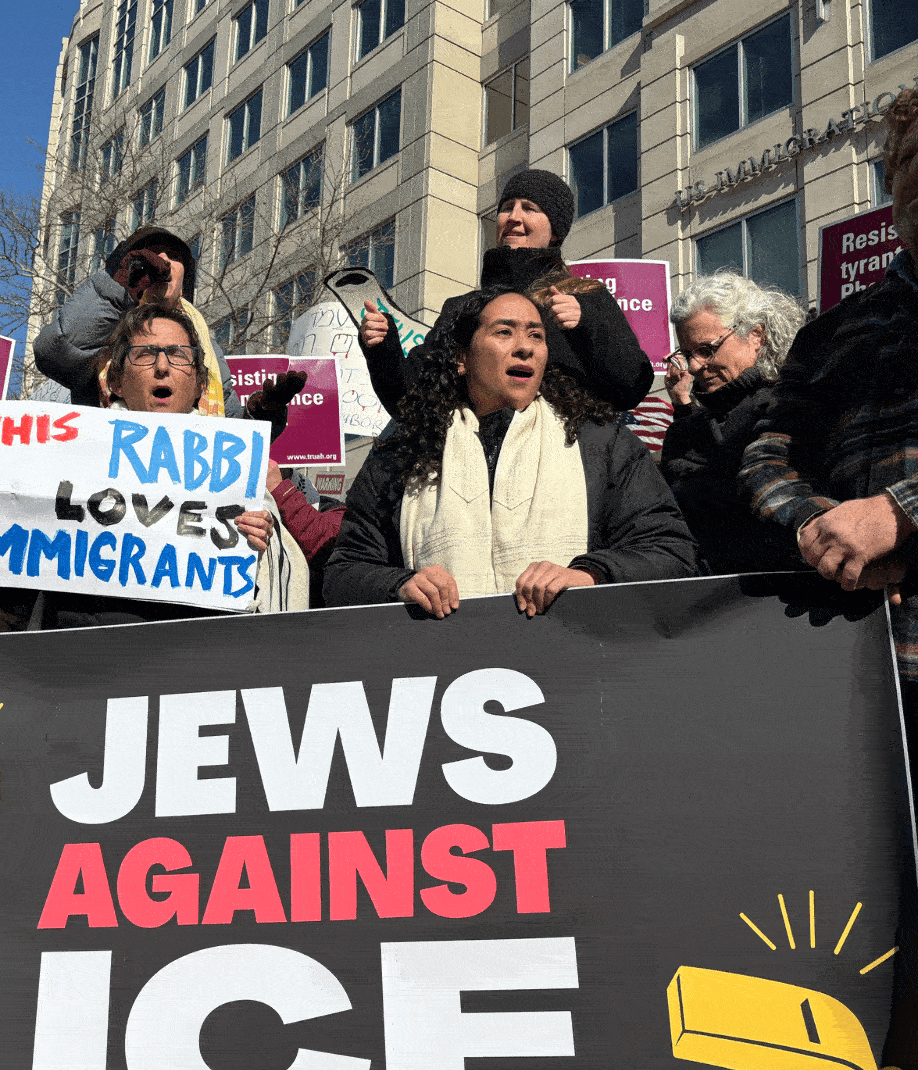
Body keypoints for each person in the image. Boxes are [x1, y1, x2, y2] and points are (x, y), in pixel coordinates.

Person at [0, 303, 308, 629]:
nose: (162, 366)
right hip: (78, 678)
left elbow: (262, 608)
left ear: (198, 384)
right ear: (118, 382)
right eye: (145, 354)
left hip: (191, 677)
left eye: (179, 355)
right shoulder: (60, 458)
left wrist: (255, 548)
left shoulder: (237, 480)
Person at [323, 287, 698, 614]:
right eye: (504, 332)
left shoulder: (602, 443)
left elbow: (672, 553)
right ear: (461, 358)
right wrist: (400, 585)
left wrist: (591, 574)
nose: (524, 347)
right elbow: (343, 575)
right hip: (446, 675)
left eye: (536, 336)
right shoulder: (404, 451)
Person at [739, 88, 918, 726]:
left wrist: (900, 516)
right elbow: (771, 452)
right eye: (907, 160)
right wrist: (827, 536)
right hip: (871, 665)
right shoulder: (834, 331)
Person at [357, 169, 653, 418]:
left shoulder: (584, 295)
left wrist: (586, 325)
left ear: (556, 232)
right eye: (506, 207)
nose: (513, 216)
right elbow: (411, 402)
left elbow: (630, 387)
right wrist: (383, 348)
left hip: (567, 464)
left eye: (530, 208)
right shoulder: (463, 308)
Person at [661, 272, 806, 573]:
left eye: (706, 349)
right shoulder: (684, 432)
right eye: (687, 354)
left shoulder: (795, 407)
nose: (694, 366)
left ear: (756, 335)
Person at [34, 225, 239, 416]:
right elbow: (55, 351)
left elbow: (234, 426)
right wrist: (119, 289)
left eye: (174, 256)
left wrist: (262, 415)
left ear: (184, 284)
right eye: (152, 254)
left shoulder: (206, 347)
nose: (164, 261)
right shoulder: (106, 328)